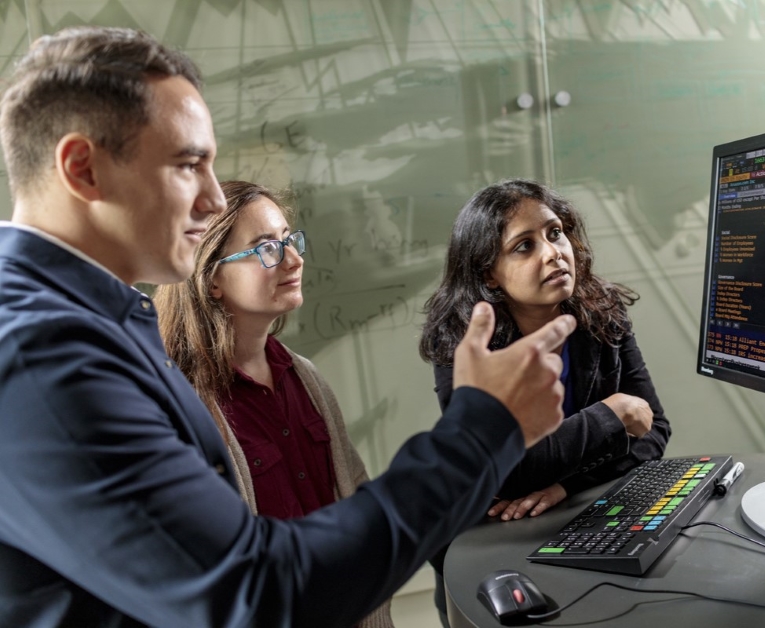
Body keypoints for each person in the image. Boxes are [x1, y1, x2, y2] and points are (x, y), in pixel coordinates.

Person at [0, 26, 577, 627]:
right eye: (188, 164)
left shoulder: (96, 326)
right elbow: (253, 592)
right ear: (83, 169)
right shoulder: (40, 355)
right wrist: (484, 429)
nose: (214, 199)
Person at [419, 178, 672, 625]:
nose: (553, 252)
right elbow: (510, 472)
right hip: (483, 534)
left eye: (555, 233)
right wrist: (610, 415)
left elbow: (655, 430)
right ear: (487, 274)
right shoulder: (465, 345)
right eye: (524, 246)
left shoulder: (602, 312)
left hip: (574, 515)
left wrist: (566, 486)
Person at [154, 180, 394, 628]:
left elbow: (354, 501)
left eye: (289, 239)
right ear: (212, 280)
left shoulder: (306, 378)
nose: (294, 258)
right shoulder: (183, 406)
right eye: (267, 248)